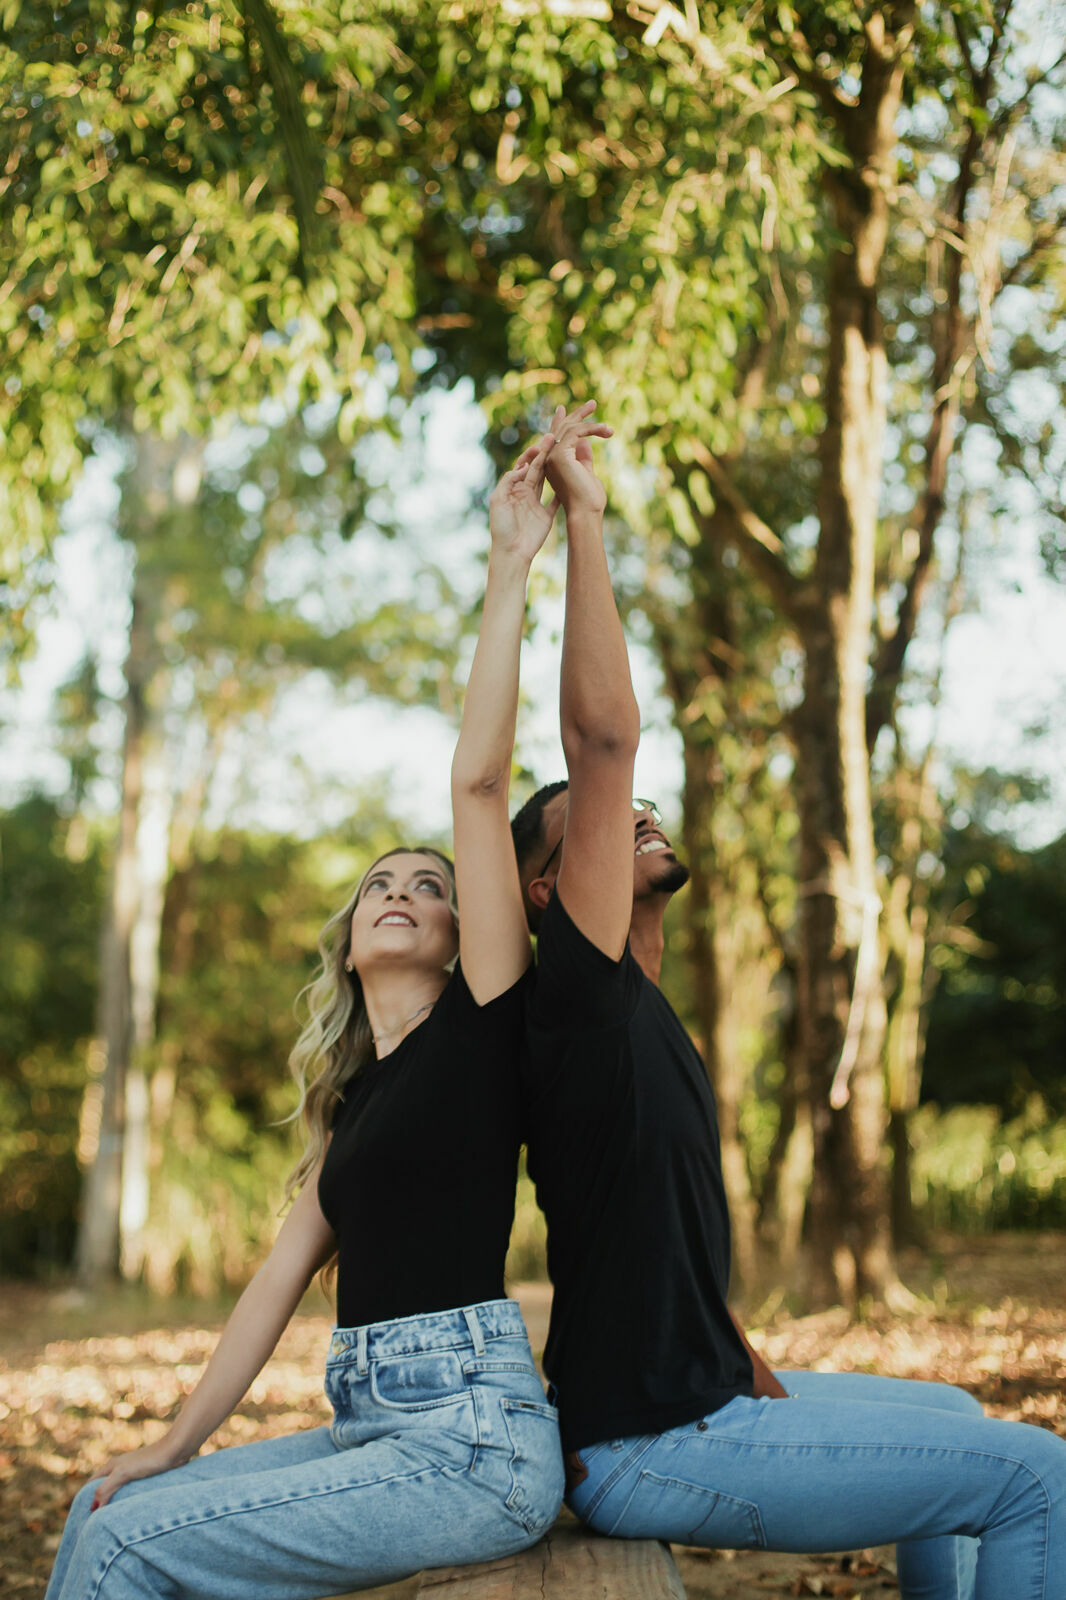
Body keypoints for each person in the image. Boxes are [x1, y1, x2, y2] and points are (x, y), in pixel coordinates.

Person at [42, 417, 609, 1600]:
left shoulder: (483, 1020)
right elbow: (272, 1287)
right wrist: (171, 1443)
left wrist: (512, 561)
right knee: (107, 1511)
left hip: (471, 1442)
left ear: (461, 936)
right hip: (374, 1422)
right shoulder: (356, 1106)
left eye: (431, 888)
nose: (403, 893)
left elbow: (477, 782)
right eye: (380, 886)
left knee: (123, 1550)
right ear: (349, 947)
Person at [510, 409, 1066, 1600]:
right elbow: (602, 738)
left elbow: (650, 1254)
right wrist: (586, 527)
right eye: (595, 823)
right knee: (1038, 1475)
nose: (632, 811)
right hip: (651, 1447)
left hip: (694, 1397)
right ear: (549, 890)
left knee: (959, 1413)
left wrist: (740, 1357)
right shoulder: (579, 998)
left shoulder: (642, 1011)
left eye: (638, 808)